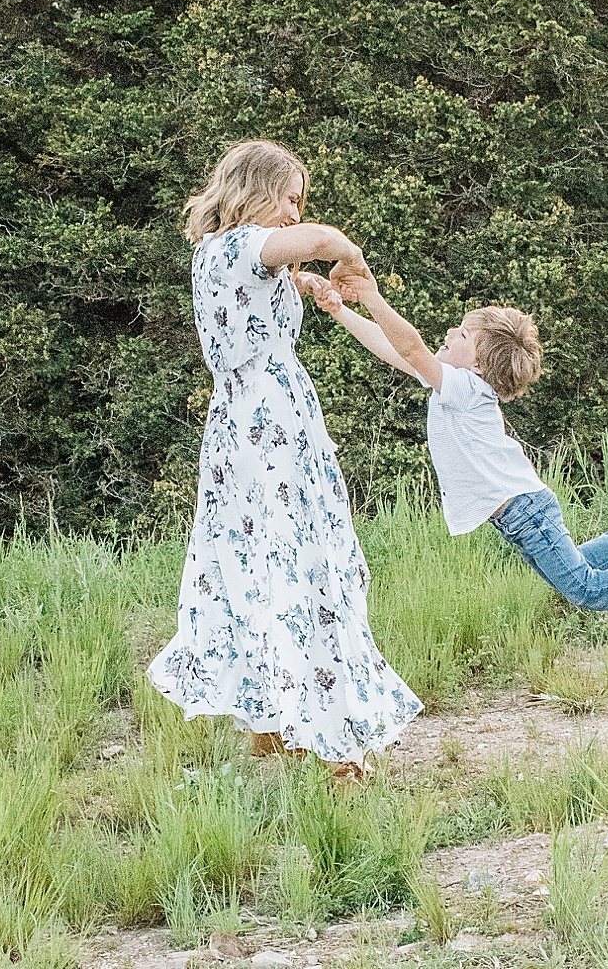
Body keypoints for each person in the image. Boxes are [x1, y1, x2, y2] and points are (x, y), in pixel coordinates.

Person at [147, 140, 422, 769]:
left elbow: (265, 283)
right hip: (272, 425)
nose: (297, 212)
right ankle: (334, 747)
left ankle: (271, 726)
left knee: (253, 563)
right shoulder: (247, 244)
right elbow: (319, 241)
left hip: (238, 426)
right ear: (257, 193)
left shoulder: (212, 256)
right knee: (302, 563)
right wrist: (349, 257)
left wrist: (301, 287)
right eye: (291, 198)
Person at [304, 262, 608, 616]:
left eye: (464, 336)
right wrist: (341, 310)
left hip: (525, 511)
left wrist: (373, 295)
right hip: (520, 512)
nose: (451, 332)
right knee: (575, 574)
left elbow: (411, 347)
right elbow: (393, 351)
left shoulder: (466, 388)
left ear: (478, 366)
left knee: (584, 589)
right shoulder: (455, 383)